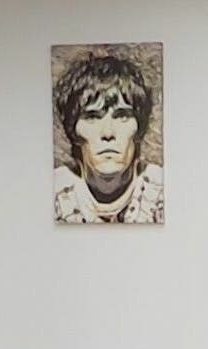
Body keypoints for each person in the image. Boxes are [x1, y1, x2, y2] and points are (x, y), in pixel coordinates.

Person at [52, 50, 164, 225]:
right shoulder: (53, 193)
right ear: (73, 130)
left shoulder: (162, 190)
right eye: (92, 117)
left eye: (122, 116)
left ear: (139, 128)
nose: (108, 133)